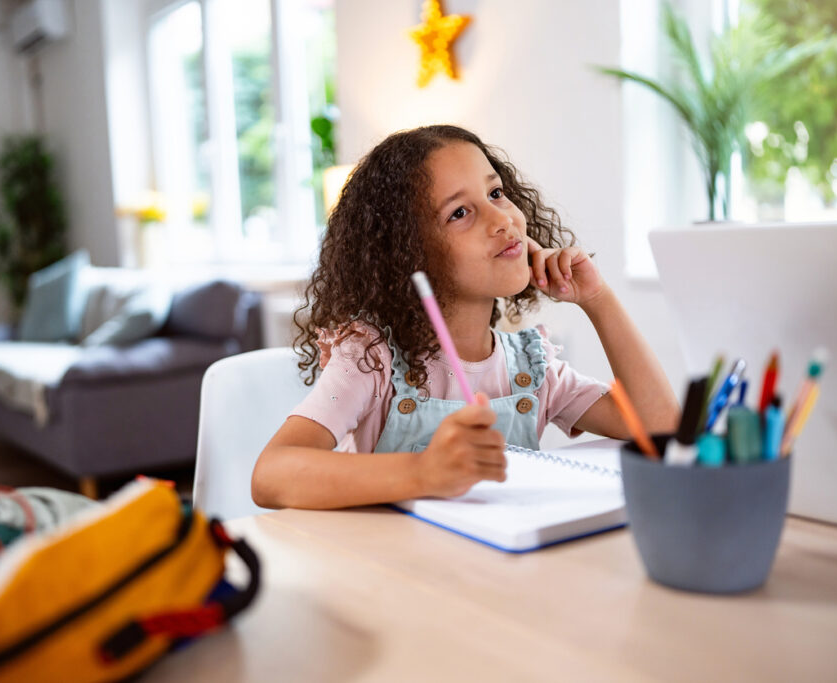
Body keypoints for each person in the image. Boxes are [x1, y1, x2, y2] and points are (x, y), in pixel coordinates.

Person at [252, 124, 679, 509]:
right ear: (408, 252)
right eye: (459, 212)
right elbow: (271, 475)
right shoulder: (373, 360)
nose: (501, 220)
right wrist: (422, 474)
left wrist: (598, 300)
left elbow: (661, 429)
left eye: (495, 193)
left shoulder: (532, 367)